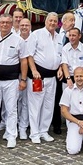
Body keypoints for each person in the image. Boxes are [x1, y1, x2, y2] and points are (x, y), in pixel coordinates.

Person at [0, 14, 25, 148]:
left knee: (11, 109)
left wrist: (23, 79)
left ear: (12, 23)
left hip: (11, 80)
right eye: (2, 22)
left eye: (8, 22)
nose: (5, 25)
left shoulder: (18, 40)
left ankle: (11, 135)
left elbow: (23, 61)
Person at [26, 12, 62, 143]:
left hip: (52, 77)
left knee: (48, 105)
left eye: (55, 21)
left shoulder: (59, 37)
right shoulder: (36, 35)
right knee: (36, 104)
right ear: (46, 21)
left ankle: (44, 131)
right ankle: (34, 133)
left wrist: (59, 68)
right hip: (38, 77)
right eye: (50, 20)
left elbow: (59, 55)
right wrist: (34, 70)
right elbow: (29, 55)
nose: (52, 23)